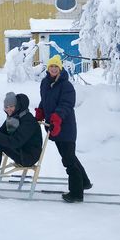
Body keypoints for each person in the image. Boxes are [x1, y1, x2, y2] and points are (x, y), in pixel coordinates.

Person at [35, 54, 92, 203]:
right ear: (48, 69)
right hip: (54, 126)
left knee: (68, 159)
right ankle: (84, 182)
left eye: (56, 66)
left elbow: (66, 104)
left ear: (60, 69)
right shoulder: (45, 83)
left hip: (65, 127)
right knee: (69, 156)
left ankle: (76, 193)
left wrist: (57, 117)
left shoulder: (66, 85)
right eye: (51, 66)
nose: (53, 69)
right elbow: (45, 100)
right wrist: (41, 110)